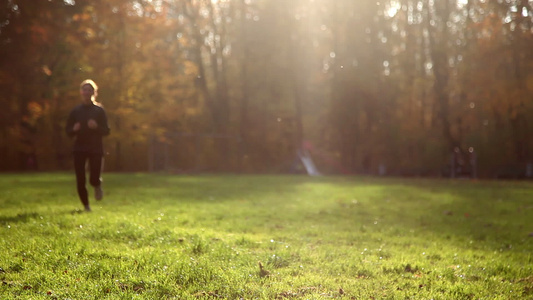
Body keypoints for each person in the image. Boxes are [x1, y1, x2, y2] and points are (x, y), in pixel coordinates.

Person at [66, 79, 110, 212]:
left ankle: (97, 185)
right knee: (80, 179)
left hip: (95, 148)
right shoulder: (75, 111)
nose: (86, 92)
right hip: (79, 148)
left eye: (89, 90)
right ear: (81, 92)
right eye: (84, 89)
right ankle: (86, 206)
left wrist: (96, 127)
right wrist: (74, 129)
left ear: (94, 92)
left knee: (93, 178)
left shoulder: (99, 111)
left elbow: (107, 131)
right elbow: (67, 132)